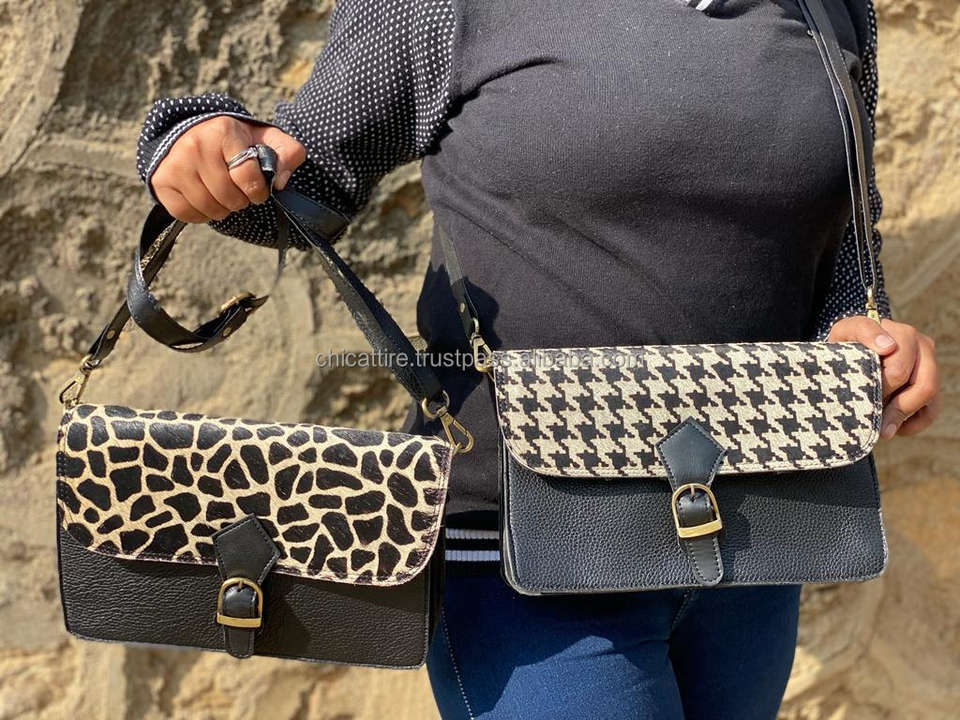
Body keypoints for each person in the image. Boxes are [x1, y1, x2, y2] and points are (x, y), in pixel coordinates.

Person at [135, 1, 940, 717]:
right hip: (524, 550)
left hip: (754, 537)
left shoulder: (831, 7)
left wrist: (861, 327)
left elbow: (845, 226)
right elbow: (301, 181)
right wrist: (193, 149)